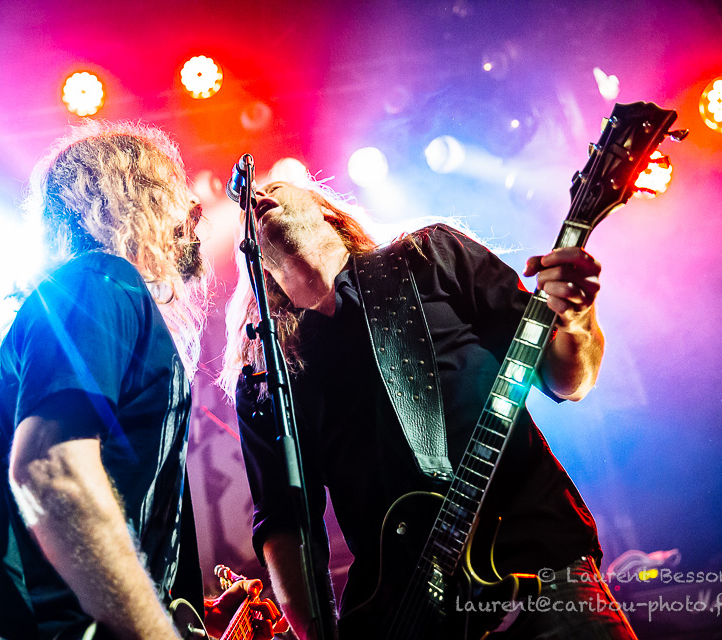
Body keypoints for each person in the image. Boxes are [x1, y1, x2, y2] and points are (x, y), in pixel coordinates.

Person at [220, 180, 639, 639]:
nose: (257, 196)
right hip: (406, 617)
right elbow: (284, 525)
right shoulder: (266, 375)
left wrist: (577, 319)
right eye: (249, 203)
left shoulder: (429, 255)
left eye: (275, 186)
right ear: (250, 257)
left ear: (326, 211)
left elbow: (568, 380)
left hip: (538, 561)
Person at [0, 120, 283, 640]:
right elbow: (50, 470)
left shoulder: (94, 295)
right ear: (135, 197)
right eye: (173, 186)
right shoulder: (101, 280)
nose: (195, 207)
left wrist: (189, 611)